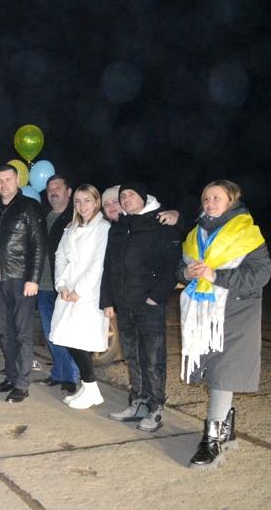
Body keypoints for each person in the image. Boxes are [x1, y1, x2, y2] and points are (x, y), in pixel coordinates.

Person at [177, 180, 270, 469]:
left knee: (222, 373)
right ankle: (227, 431)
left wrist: (218, 277)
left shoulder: (247, 233)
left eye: (217, 197)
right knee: (212, 370)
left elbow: (261, 274)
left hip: (236, 314)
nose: (210, 202)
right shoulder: (195, 235)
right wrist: (187, 272)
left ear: (232, 200)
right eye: (206, 198)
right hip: (203, 316)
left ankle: (212, 440)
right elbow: (178, 270)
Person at [100, 182, 181, 431]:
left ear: (144, 198)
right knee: (132, 357)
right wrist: (108, 301)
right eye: (122, 196)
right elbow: (109, 267)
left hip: (148, 305)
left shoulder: (160, 224)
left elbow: (170, 266)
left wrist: (155, 297)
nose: (125, 199)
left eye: (131, 194)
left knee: (152, 358)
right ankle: (138, 401)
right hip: (125, 305)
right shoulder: (119, 228)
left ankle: (156, 408)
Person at [0, 165, 47, 403]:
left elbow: (39, 245)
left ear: (17, 180)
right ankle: (10, 376)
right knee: (4, 331)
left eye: (8, 180)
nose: (3, 185)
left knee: (22, 333)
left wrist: (33, 279)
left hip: (21, 280)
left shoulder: (29, 207)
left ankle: (22, 383)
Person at [49, 185, 111, 409]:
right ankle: (87, 386)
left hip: (87, 294)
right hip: (68, 291)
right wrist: (62, 285)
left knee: (80, 342)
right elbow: (59, 258)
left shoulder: (102, 228)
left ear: (96, 203)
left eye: (87, 201)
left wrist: (79, 290)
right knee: (68, 338)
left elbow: (98, 263)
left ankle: (92, 388)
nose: (82, 206)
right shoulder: (71, 227)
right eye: (78, 201)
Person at [37, 175, 79, 393]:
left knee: (67, 333)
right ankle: (59, 373)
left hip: (64, 287)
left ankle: (71, 376)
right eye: (49, 188)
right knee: (50, 333)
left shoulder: (76, 216)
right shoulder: (44, 215)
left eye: (58, 188)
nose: (53, 192)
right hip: (43, 286)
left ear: (68, 191)